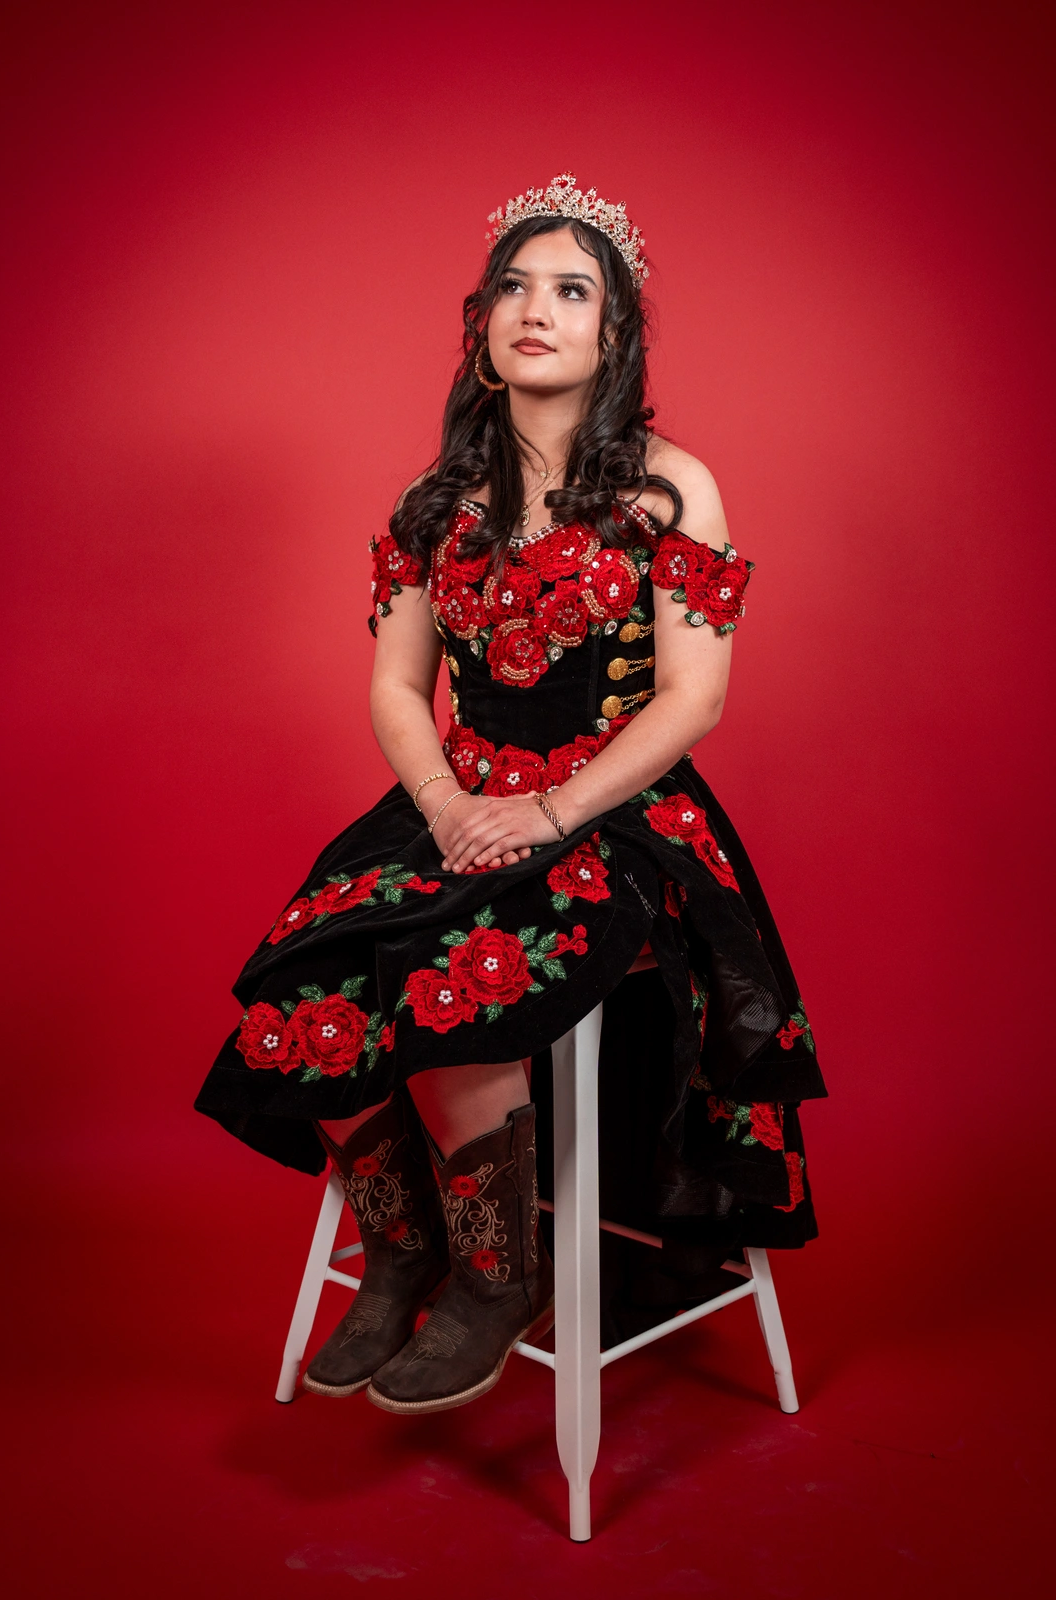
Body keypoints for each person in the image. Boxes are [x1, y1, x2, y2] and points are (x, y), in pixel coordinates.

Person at [195, 172, 826, 1416]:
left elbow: (691, 701)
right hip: (455, 790)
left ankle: (498, 1277)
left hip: (614, 808)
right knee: (304, 970)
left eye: (570, 289)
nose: (534, 308)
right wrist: (439, 799)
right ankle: (405, 1248)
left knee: (450, 971)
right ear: (481, 325)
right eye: (512, 288)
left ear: (613, 330)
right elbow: (395, 690)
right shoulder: (431, 504)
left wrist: (544, 811)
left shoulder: (668, 485)